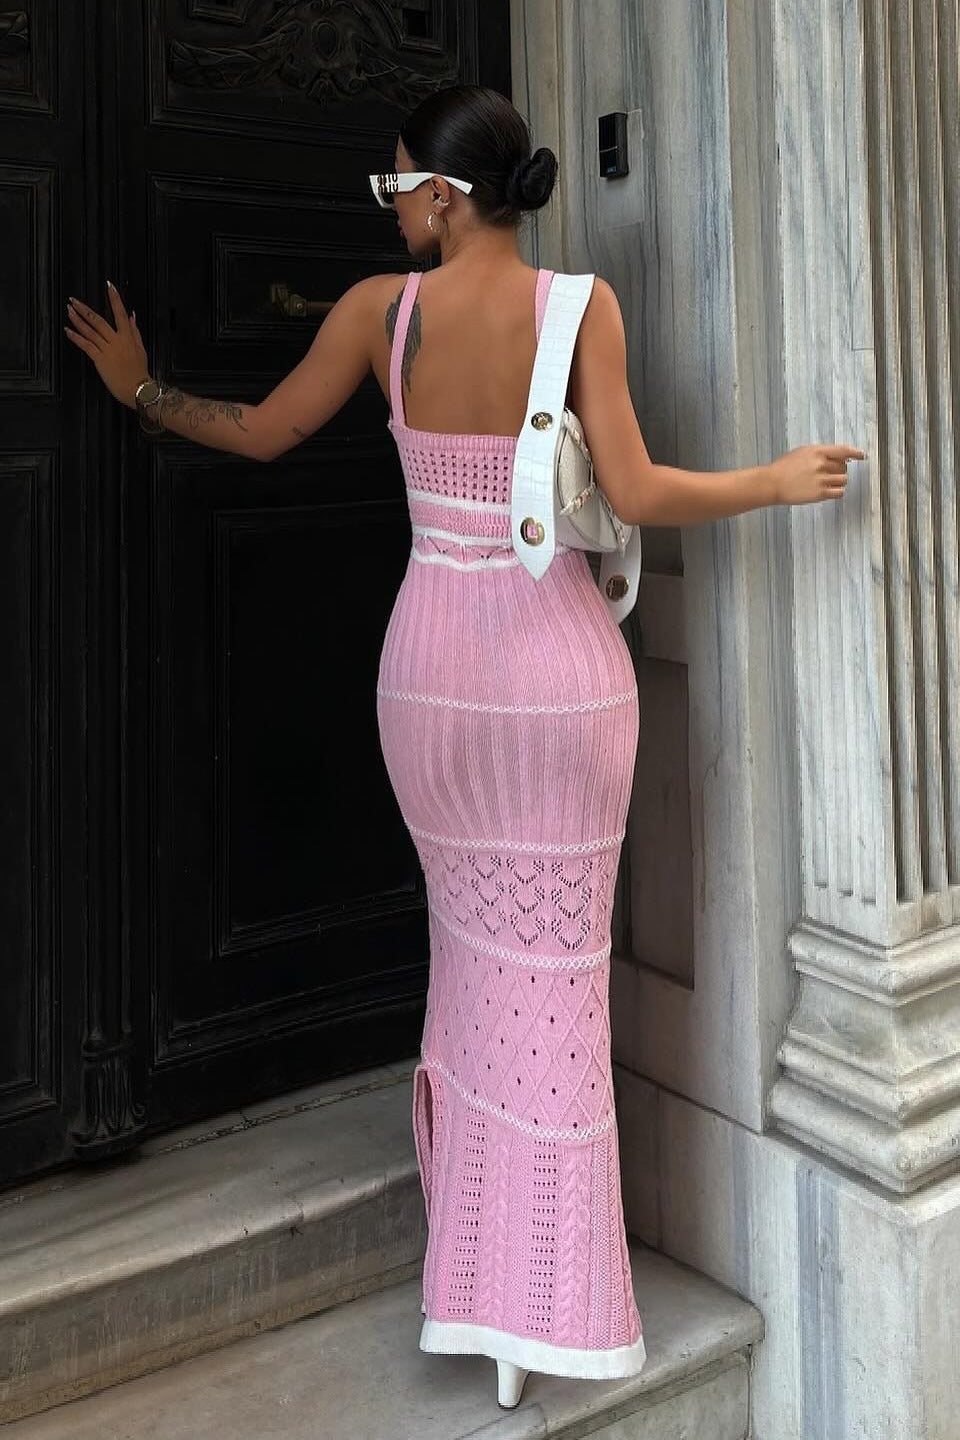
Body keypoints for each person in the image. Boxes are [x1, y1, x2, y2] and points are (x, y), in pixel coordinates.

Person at [64, 82, 864, 1413]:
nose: (390, 211)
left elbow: (260, 433)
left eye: (395, 189)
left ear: (441, 197)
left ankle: (485, 1288)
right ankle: (553, 1300)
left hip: (434, 676)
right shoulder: (580, 309)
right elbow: (641, 488)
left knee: (473, 963)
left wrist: (138, 388)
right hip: (558, 680)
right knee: (559, 980)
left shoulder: (382, 315)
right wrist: (774, 482)